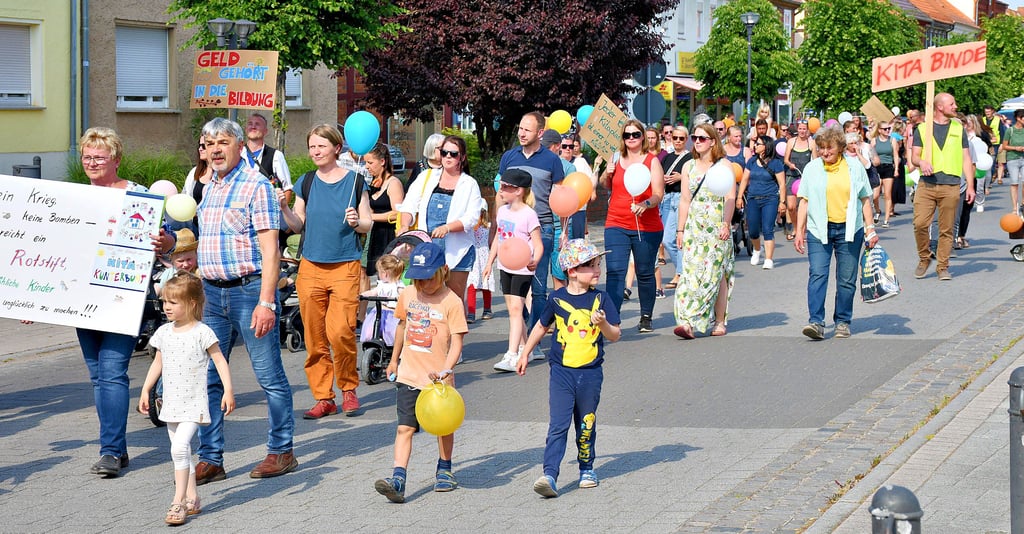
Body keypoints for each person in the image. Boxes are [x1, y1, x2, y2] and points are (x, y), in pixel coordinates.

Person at [193, 117, 296, 484]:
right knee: (209, 377)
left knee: (268, 375)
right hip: (211, 294)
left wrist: (266, 302)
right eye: (209, 144)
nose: (215, 150)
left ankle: (281, 451)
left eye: (222, 142)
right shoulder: (209, 187)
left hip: (249, 291)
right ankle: (211, 458)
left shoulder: (257, 186)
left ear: (239, 146)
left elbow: (271, 250)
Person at [75, 127, 175, 478]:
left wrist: (164, 242)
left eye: (99, 157)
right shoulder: (74, 198)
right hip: (82, 299)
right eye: (87, 157)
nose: (92, 163)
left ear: (116, 160)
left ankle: (111, 451)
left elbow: (173, 237)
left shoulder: (139, 195)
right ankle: (115, 446)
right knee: (98, 376)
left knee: (112, 372)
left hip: (123, 298)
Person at [279, 124, 373, 421]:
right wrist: (284, 209)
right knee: (314, 336)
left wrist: (356, 221)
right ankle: (323, 397)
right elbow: (298, 224)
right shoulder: (306, 182)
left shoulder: (356, 182)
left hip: (345, 266)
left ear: (336, 148)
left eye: (321, 146)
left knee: (341, 332)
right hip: (310, 267)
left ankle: (348, 389)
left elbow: (368, 223)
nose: (315, 151)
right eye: (312, 146)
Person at [516, 239, 621, 498]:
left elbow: (615, 335)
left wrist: (603, 324)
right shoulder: (556, 298)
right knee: (558, 424)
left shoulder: (601, 298)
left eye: (598, 265)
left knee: (586, 424)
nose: (597, 270)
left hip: (590, 373)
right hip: (561, 373)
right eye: (590, 266)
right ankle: (550, 475)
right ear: (572, 271)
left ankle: (587, 469)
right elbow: (541, 326)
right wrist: (525, 353)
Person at [138, 273, 235, 525]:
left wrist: (228, 390)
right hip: (171, 403)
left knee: (179, 448)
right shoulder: (163, 332)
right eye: (165, 302)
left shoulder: (202, 332)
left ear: (191, 303)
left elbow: (220, 361)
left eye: (173, 302)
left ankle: (178, 501)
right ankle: (193, 497)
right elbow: (157, 363)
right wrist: (146, 389)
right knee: (181, 453)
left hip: (193, 402)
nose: (167, 307)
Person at [376, 242, 468, 503]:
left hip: (438, 380)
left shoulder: (452, 302)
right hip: (409, 374)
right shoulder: (408, 294)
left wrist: (447, 369)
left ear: (443, 271)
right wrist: (393, 360)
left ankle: (445, 470)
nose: (424, 284)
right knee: (404, 428)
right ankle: (398, 479)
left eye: (429, 278)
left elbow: (457, 341)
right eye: (419, 279)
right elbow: (402, 327)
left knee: (443, 427)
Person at [794, 126, 879, 339]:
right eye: (821, 148)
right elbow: (803, 201)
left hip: (849, 229)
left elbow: (865, 199)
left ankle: (842, 321)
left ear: (840, 147)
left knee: (846, 279)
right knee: (817, 274)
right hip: (819, 229)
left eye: (829, 147)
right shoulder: (812, 168)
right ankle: (816, 322)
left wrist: (870, 229)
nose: (825, 152)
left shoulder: (854, 167)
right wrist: (799, 231)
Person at [497, 112, 565, 348]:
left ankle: (533, 342)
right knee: (513, 287)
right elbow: (501, 192)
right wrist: (497, 223)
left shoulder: (552, 160)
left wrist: (563, 231)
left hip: (542, 227)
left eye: (527, 130)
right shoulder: (509, 156)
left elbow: (560, 197)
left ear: (540, 133)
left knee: (537, 286)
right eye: (520, 128)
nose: (521, 133)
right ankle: (523, 330)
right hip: (512, 229)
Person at [398, 135, 482, 304]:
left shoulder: (469, 184)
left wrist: (448, 227)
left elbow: (472, 217)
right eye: (444, 153)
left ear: (462, 157)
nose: (448, 157)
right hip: (427, 248)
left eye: (453, 154)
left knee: (454, 300)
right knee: (425, 297)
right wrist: (405, 225)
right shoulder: (426, 177)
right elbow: (409, 204)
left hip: (458, 249)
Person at [601, 119, 665, 333]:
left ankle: (646, 316)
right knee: (615, 272)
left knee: (644, 272)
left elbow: (658, 194)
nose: (631, 138)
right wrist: (606, 173)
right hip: (616, 222)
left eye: (635, 134)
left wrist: (646, 204)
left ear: (642, 137)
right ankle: (612, 319)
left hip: (646, 226)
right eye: (626, 135)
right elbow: (605, 185)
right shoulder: (616, 158)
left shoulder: (652, 161)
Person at [673, 123, 736, 339]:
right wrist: (680, 230)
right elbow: (684, 200)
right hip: (694, 226)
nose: (697, 142)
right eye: (695, 138)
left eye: (702, 138)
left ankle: (719, 321)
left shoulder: (724, 165)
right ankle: (688, 321)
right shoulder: (688, 166)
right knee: (690, 273)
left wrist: (726, 223)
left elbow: (730, 197)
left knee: (715, 275)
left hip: (717, 226)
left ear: (712, 141)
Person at [911, 93, 974, 281]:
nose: (956, 106)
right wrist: (921, 162)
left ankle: (942, 266)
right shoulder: (923, 128)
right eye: (952, 104)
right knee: (920, 224)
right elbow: (914, 156)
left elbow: (966, 158)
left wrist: (970, 186)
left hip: (951, 185)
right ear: (939, 107)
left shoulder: (958, 128)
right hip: (927, 184)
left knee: (946, 229)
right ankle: (925, 257)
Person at [486, 169, 544, 373]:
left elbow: (538, 244)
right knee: (513, 309)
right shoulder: (503, 211)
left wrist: (535, 260)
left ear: (518, 190)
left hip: (522, 267)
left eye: (504, 187)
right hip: (505, 266)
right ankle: (527, 348)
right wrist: (489, 262)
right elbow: (498, 239)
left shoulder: (529, 215)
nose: (500, 191)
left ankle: (512, 355)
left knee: (516, 309)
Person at [361, 142, 405, 317]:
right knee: (365, 272)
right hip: (373, 233)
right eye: (365, 162)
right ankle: (363, 315)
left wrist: (370, 217)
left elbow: (397, 213)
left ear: (382, 161)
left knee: (387, 275)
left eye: (370, 162)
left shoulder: (393, 183)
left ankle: (390, 313)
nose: (367, 166)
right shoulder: (374, 183)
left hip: (387, 233)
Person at [244, 113, 294, 248]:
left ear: (265, 131)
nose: (253, 126)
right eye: (250, 124)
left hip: (267, 219)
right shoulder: (238, 155)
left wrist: (278, 215)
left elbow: (287, 189)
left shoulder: (276, 156)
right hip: (243, 218)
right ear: (245, 129)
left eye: (257, 124)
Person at [738, 135, 786, 270]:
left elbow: (782, 184)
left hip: (770, 199)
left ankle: (769, 259)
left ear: (766, 146)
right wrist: (739, 197)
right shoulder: (752, 161)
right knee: (753, 230)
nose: (755, 146)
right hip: (753, 198)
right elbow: (744, 179)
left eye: (758, 144)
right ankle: (757, 249)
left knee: (767, 229)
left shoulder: (776, 163)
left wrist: (782, 202)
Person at [660, 125, 692, 289]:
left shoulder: (691, 158)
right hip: (667, 198)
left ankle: (680, 273)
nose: (678, 141)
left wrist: (681, 177)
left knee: (678, 238)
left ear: (686, 140)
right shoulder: (667, 157)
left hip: (681, 198)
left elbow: (696, 179)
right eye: (675, 138)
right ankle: (683, 270)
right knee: (667, 239)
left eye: (681, 138)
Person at [359, 254, 405, 347]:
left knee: (391, 332)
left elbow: (404, 294)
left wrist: (401, 297)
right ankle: (372, 343)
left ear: (385, 273)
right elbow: (373, 292)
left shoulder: (398, 285)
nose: (378, 274)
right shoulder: (381, 284)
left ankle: (393, 347)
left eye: (379, 272)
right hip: (378, 311)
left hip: (392, 314)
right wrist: (362, 295)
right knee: (370, 328)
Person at [783, 121, 817, 240]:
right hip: (792, 175)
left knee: (803, 205)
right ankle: (796, 227)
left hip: (805, 177)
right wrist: (790, 164)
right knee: (791, 207)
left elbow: (815, 161)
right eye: (800, 129)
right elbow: (786, 159)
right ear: (797, 129)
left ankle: (802, 229)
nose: (802, 131)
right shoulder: (791, 142)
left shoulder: (811, 143)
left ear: (807, 130)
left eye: (804, 129)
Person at [465, 198, 494, 324]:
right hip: (473, 259)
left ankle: (487, 309)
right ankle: (471, 312)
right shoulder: (470, 228)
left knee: (485, 284)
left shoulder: (489, 228)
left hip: (484, 259)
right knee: (471, 285)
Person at [870, 120, 900, 228]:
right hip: (877, 168)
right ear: (879, 130)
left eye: (889, 128)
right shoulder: (874, 140)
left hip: (888, 167)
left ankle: (886, 220)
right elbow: (870, 154)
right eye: (885, 129)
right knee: (875, 195)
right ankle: (878, 210)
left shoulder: (892, 140)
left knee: (887, 194)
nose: (887, 130)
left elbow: (895, 155)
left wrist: (896, 169)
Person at [180, 139, 212, 233]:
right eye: (199, 145)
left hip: (211, 226)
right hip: (194, 227)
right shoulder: (194, 172)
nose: (200, 149)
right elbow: (185, 196)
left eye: (203, 146)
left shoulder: (222, 174)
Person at [155, 228, 199, 296]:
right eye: (180, 261)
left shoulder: (198, 273)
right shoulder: (169, 273)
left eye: (189, 259)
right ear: (172, 260)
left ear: (196, 256)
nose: (186, 264)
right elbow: (157, 291)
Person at [1002, 110, 1024, 212]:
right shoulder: (1009, 131)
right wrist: (1016, 148)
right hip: (1012, 159)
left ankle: (1023, 202)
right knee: (1014, 183)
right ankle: (1015, 207)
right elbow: (1004, 146)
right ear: (1018, 118)